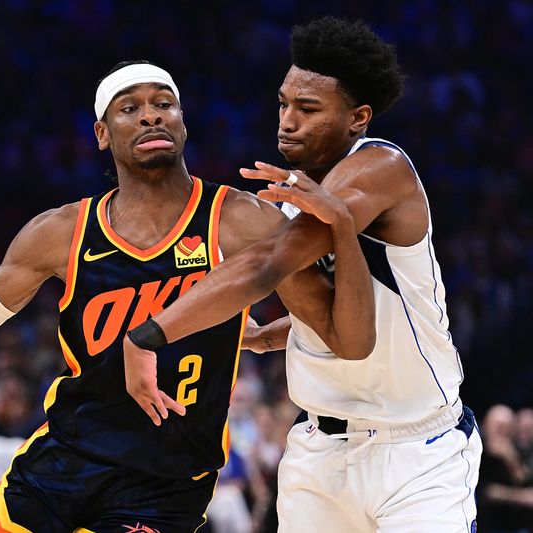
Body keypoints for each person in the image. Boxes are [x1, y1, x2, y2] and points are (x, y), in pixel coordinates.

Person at [0, 60, 374, 532]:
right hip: (63, 461)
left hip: (167, 478)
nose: (150, 115)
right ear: (102, 133)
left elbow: (332, 325)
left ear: (183, 123)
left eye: (163, 104)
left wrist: (277, 332)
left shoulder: (240, 219)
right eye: (130, 108)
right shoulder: (61, 232)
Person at [123, 17, 482, 532]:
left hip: (417, 451)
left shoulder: (382, 168)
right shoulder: (292, 199)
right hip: (319, 452)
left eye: (308, 109)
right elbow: (353, 309)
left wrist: (149, 336)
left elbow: (266, 265)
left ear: (357, 118)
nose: (287, 121)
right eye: (283, 104)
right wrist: (270, 337)